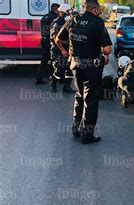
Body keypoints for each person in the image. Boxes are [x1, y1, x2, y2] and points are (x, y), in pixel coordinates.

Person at [55, 0, 112, 144]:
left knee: (79, 95)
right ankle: (87, 135)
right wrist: (102, 53)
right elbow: (107, 49)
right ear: (96, 9)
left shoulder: (73, 20)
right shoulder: (97, 23)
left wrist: (64, 51)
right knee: (91, 100)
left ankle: (76, 129)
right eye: (99, 9)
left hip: (75, 65)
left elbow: (58, 39)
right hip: (92, 67)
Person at [50, 4, 75, 93]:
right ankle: (53, 83)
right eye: (67, 12)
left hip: (68, 49)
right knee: (60, 68)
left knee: (70, 69)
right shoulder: (56, 23)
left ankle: (67, 87)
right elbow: (56, 39)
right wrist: (63, 50)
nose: (69, 14)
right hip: (58, 49)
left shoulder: (69, 22)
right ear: (61, 12)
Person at [35, 3, 60, 85]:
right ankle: (56, 79)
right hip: (50, 41)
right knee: (55, 59)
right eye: (58, 9)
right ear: (55, 9)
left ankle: (39, 78)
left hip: (43, 39)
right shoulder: (55, 18)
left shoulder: (44, 16)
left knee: (44, 60)